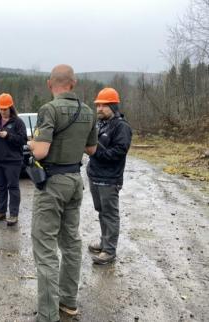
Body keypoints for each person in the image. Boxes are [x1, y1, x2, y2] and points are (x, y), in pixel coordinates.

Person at [27, 64, 97, 321]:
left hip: (53, 184)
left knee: (45, 247)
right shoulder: (88, 111)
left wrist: (31, 143)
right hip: (75, 181)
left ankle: (47, 315)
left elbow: (41, 152)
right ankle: (68, 302)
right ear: (73, 83)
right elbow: (92, 150)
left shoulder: (49, 109)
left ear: (49, 84)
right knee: (71, 243)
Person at [86, 87, 132, 265]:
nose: (98, 109)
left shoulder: (122, 127)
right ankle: (104, 242)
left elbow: (118, 153)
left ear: (112, 106)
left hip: (109, 179)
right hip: (94, 176)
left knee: (110, 214)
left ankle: (109, 251)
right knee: (101, 212)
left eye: (102, 106)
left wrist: (95, 151)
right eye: (97, 105)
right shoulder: (100, 123)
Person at [0, 93, 27, 226]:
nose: (3, 111)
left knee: (13, 187)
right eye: (1, 109)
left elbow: (22, 140)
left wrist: (8, 135)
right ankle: (1, 212)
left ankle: (13, 214)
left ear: (11, 107)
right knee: (0, 187)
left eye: (5, 109)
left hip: (12, 161)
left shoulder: (18, 123)